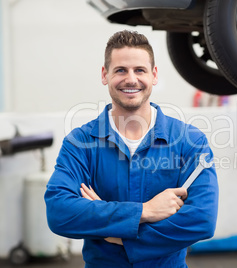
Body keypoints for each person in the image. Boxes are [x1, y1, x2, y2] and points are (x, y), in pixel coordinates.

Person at [44, 30, 219, 268]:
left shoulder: (189, 141)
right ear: (105, 75)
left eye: (139, 70)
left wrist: (116, 234)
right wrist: (144, 211)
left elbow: (202, 220)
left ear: (154, 75)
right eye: (120, 70)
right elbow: (59, 212)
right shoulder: (80, 143)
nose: (131, 79)